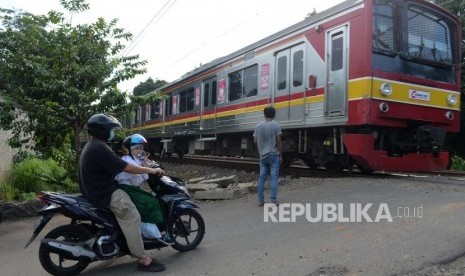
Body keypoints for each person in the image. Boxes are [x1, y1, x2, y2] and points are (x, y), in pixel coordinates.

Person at [79, 113, 166, 273]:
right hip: (104, 192)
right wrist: (150, 170)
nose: (112, 132)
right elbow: (127, 168)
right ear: (102, 130)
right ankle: (144, 259)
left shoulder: (93, 145)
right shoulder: (100, 147)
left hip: (94, 190)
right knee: (132, 215)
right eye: (110, 129)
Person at [115, 134, 173, 245]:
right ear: (129, 149)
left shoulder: (134, 159)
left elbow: (143, 173)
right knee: (153, 202)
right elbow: (136, 181)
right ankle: (161, 234)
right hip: (128, 190)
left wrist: (146, 165)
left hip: (131, 189)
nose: (140, 151)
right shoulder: (129, 161)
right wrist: (149, 170)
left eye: (141, 148)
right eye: (137, 148)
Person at [253, 106, 282, 207]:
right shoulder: (276, 125)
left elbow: (255, 140)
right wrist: (280, 155)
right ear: (274, 115)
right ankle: (273, 200)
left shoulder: (258, 126)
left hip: (263, 156)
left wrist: (261, 151)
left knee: (262, 177)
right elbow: (278, 141)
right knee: (274, 177)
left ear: (264, 114)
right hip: (273, 155)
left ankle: (260, 200)